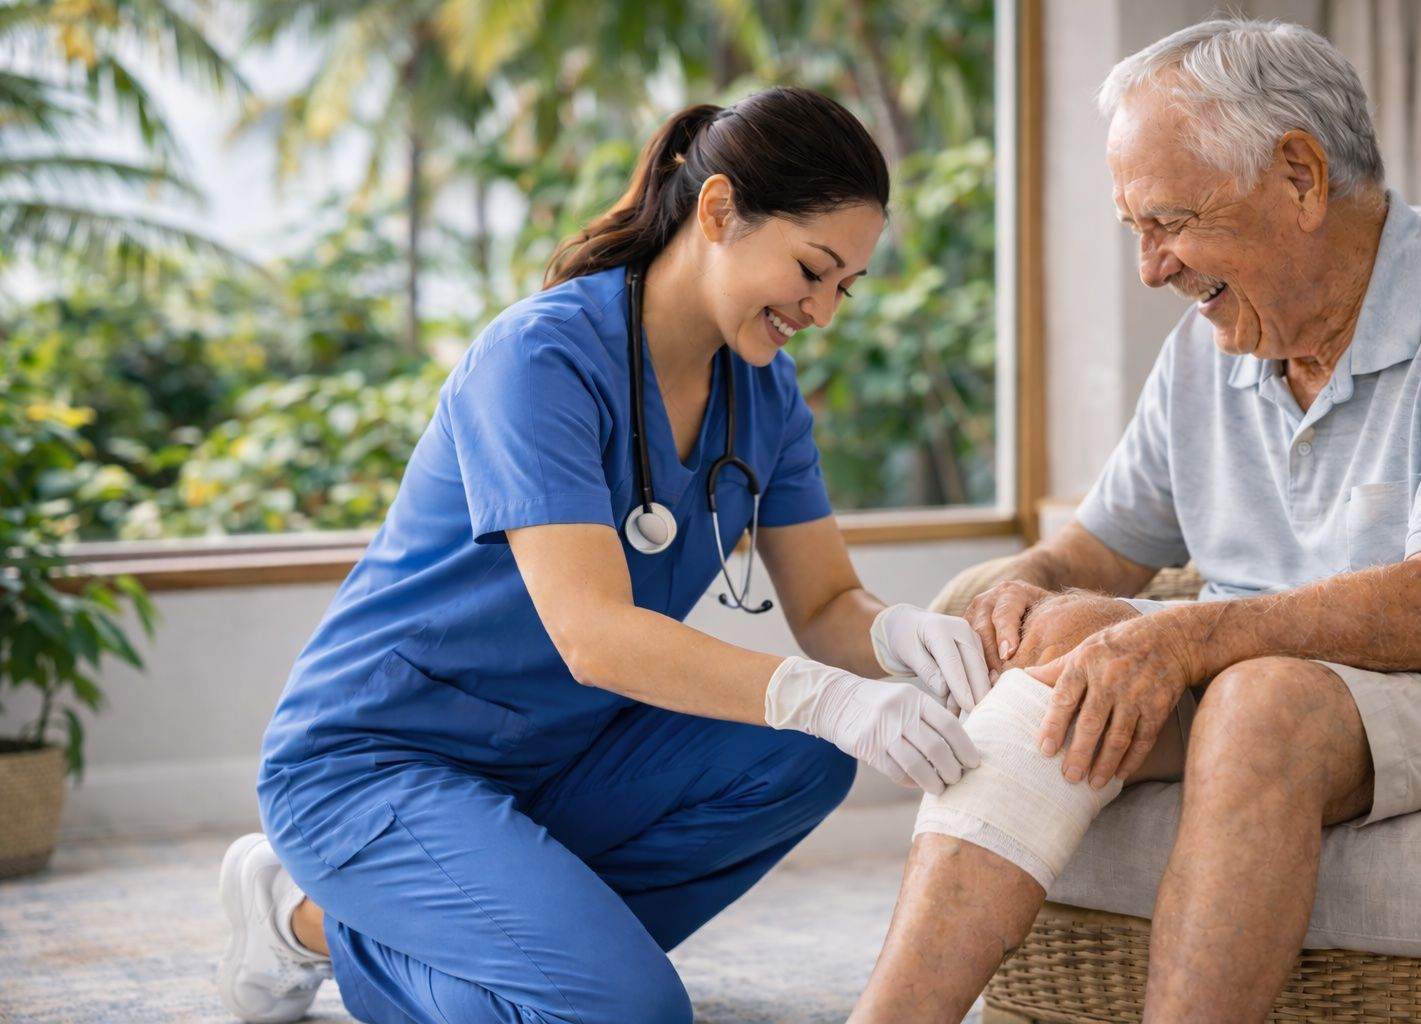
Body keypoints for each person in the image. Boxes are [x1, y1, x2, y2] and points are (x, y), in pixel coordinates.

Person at [215, 85, 994, 1024]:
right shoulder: (540, 360)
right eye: (812, 269)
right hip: (378, 763)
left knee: (804, 759)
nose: (823, 311)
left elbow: (829, 605)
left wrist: (906, 636)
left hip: (559, 757)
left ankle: (436, 931)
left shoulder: (765, 396)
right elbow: (594, 636)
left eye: (844, 286)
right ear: (718, 211)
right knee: (628, 1013)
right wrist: (824, 693)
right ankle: (313, 915)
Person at [849, 18, 1421, 1024]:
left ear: (1300, 178)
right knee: (1070, 635)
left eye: (1166, 221)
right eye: (1136, 229)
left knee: (1264, 703)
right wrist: (1029, 581)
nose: (1151, 269)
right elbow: (1099, 547)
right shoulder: (1209, 349)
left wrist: (1185, 636)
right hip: (1275, 670)